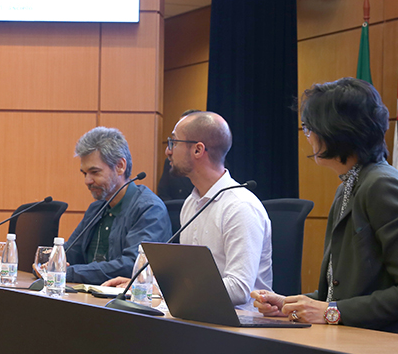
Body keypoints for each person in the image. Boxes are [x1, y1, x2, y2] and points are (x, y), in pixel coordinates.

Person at [252, 77, 398, 340]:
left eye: (309, 128)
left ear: (334, 132)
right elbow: (344, 294)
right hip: (363, 338)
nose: (308, 137)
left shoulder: (382, 186)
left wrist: (329, 312)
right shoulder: (349, 186)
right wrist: (290, 305)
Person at [106, 111, 272, 312]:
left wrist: (167, 289)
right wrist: (146, 284)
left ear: (198, 150)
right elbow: (189, 277)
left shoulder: (240, 207)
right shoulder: (191, 203)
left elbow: (240, 289)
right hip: (198, 316)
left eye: (173, 142)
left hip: (240, 323)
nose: (168, 151)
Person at [64, 127, 172, 285]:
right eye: (84, 173)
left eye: (94, 172)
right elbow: (70, 252)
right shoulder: (96, 208)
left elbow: (132, 265)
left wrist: (69, 273)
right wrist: (50, 262)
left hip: (123, 298)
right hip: (85, 294)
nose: (87, 181)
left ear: (120, 166)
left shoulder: (150, 209)